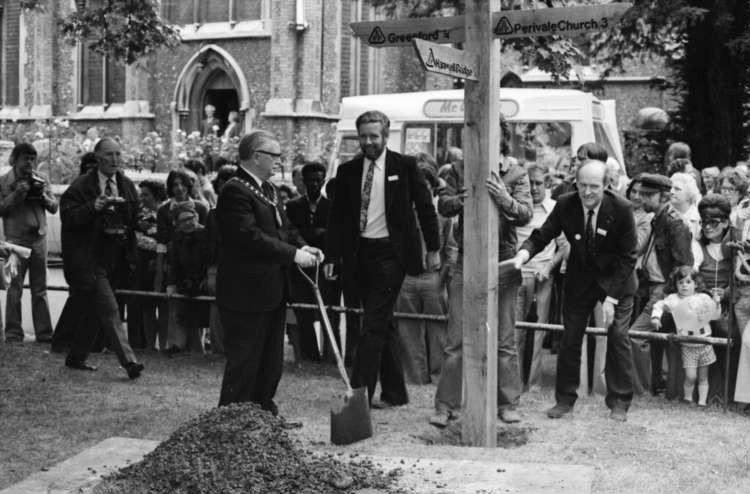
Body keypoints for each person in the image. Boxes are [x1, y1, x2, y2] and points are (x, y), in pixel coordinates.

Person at [325, 110, 440, 409]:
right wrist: (332, 255)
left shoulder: (405, 166)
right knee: (382, 324)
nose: (368, 142)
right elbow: (337, 217)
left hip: (393, 255)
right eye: (363, 136)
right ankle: (395, 393)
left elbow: (426, 209)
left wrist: (434, 249)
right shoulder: (348, 171)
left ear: (385, 136)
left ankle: (358, 399)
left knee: (372, 326)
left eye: (374, 136)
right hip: (359, 254)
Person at [512, 159, 637, 422]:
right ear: (575, 184)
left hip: (617, 280)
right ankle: (565, 400)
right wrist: (524, 255)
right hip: (581, 278)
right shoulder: (566, 204)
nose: (588, 192)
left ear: (606, 185)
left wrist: (611, 298)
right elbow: (543, 234)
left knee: (617, 335)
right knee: (570, 338)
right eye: (583, 185)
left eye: (594, 186)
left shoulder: (623, 209)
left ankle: (619, 402)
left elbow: (628, 258)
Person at [216, 129, 322, 412]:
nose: (279, 161)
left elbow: (283, 229)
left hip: (272, 290)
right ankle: (232, 422)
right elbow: (249, 237)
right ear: (257, 157)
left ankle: (262, 415)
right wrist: (294, 255)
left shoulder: (268, 189)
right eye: (274, 155)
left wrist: (305, 247)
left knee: (270, 362)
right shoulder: (234, 190)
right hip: (245, 293)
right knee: (245, 362)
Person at [60, 137, 144, 379]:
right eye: (109, 155)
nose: (115, 159)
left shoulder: (126, 184)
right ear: (97, 158)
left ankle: (75, 357)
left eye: (118, 154)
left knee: (94, 311)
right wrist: (93, 207)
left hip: (115, 259)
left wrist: (142, 222)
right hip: (89, 259)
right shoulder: (80, 187)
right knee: (109, 308)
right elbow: (69, 217)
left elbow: (133, 216)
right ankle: (130, 363)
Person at [628, 173, 693, 397]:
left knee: (636, 335)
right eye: (641, 193)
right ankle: (652, 387)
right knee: (654, 341)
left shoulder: (675, 223)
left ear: (663, 196)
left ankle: (642, 392)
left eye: (648, 195)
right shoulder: (658, 219)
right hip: (653, 287)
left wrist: (665, 295)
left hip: (664, 290)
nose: (641, 199)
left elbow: (685, 266)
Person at [394, 158, 450, 385]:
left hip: (433, 277)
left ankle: (439, 376)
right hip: (407, 277)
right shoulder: (401, 214)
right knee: (407, 328)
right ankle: (415, 376)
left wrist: (442, 277)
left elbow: (451, 248)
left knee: (437, 329)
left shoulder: (443, 215)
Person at [515, 163, 568, 392]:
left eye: (538, 183)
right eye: (530, 184)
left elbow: (564, 246)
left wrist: (549, 268)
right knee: (515, 331)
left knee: (538, 332)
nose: (534, 188)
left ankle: (533, 383)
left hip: (543, 277)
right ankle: (514, 382)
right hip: (517, 277)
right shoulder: (518, 208)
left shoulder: (555, 208)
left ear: (547, 184)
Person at [0, 143, 57, 343]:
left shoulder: (41, 178)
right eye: (26, 158)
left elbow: (54, 207)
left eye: (33, 158)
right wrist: (17, 194)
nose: (30, 163)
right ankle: (14, 333)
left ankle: (44, 333)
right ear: (15, 159)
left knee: (40, 289)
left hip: (39, 239)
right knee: (14, 289)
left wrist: (41, 195)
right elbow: (1, 209)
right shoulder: (3, 181)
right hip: (16, 240)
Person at [155, 169, 209, 354]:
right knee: (174, 305)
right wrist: (161, 267)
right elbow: (161, 241)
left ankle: (197, 347)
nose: (179, 188)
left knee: (197, 306)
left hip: (197, 261)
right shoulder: (163, 210)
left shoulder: (202, 207)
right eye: (174, 185)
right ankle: (174, 345)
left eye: (182, 184)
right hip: (174, 260)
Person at [286, 161, 335, 362]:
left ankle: (331, 356)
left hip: (325, 267)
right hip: (301, 266)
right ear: (303, 182)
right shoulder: (293, 205)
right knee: (303, 312)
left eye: (318, 180)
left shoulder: (331, 206)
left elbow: (333, 236)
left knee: (329, 313)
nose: (314, 184)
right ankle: (309, 355)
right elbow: (291, 232)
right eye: (310, 181)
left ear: (323, 181)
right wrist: (311, 238)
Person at [651, 266, 720, 406]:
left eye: (688, 282)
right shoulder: (673, 299)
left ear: (696, 284)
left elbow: (715, 315)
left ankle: (702, 402)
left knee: (703, 376)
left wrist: (717, 302)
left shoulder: (703, 297)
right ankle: (687, 399)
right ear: (675, 284)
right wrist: (655, 318)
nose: (684, 285)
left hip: (705, 342)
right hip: (687, 344)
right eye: (680, 282)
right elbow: (659, 305)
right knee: (690, 376)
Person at [129, 179, 166, 350]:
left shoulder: (166, 212)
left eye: (146, 194)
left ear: (157, 195)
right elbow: (135, 238)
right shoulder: (138, 214)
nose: (142, 198)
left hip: (163, 264)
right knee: (146, 306)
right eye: (141, 194)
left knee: (164, 306)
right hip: (143, 263)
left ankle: (165, 344)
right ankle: (150, 345)